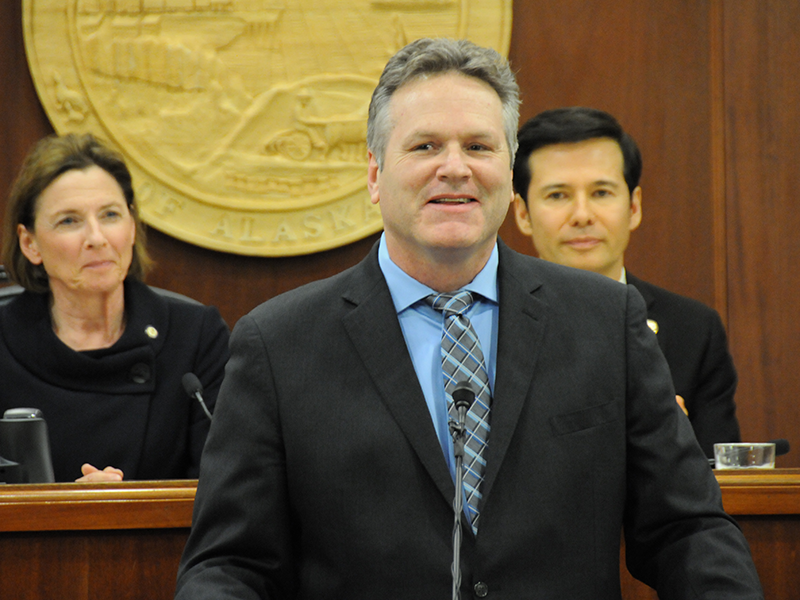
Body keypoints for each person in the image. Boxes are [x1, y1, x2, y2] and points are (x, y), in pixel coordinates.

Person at [175, 39, 762, 598]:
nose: (454, 168)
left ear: (509, 175)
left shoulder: (606, 321)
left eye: (479, 147)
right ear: (375, 175)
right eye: (425, 146)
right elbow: (233, 563)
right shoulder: (279, 343)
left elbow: (687, 530)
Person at [512, 107, 740, 458]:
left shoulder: (694, 330)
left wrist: (668, 435)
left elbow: (720, 481)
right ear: (523, 214)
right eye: (558, 195)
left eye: (601, 193)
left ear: (634, 207)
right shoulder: (494, 321)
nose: (582, 215)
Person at [0, 133, 230, 482]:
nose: (97, 237)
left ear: (132, 226)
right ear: (30, 243)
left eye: (110, 215)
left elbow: (223, 492)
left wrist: (122, 508)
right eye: (69, 221)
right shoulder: (4, 342)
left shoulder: (197, 338)